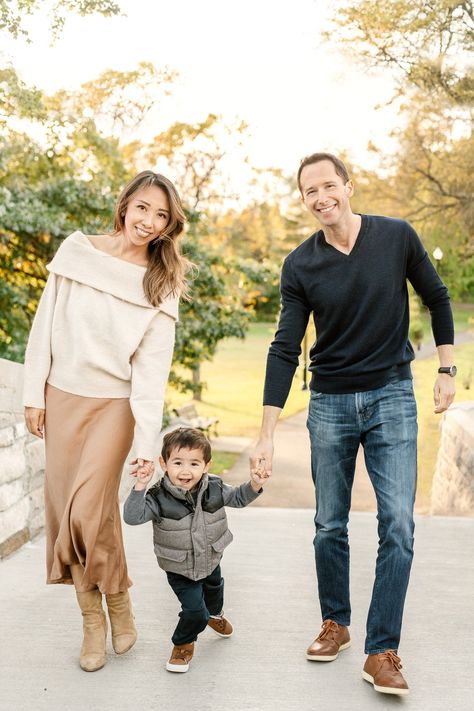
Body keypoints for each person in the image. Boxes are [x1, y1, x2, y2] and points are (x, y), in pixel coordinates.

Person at [250, 153, 456, 696]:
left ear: (347, 185)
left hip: (392, 394)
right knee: (328, 524)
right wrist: (267, 431)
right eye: (309, 192)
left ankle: (382, 649)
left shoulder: (396, 237)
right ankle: (335, 624)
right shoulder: (299, 265)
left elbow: (436, 296)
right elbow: (284, 348)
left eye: (327, 186)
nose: (321, 198)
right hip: (330, 404)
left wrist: (447, 369)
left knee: (399, 526)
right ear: (303, 200)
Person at [23, 170, 191, 672]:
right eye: (143, 208)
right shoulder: (77, 253)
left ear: (168, 225)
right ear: (125, 206)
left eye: (161, 215)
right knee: (68, 516)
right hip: (63, 398)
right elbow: (43, 324)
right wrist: (34, 393)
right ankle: (95, 614)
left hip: (115, 407)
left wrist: (146, 444)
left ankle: (113, 603)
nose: (149, 221)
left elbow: (151, 374)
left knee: (86, 513)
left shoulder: (160, 284)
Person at [123, 426, 267, 673]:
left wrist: (254, 485)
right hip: (179, 567)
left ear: (206, 465)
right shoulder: (158, 497)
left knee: (215, 590)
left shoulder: (215, 487)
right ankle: (183, 643)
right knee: (194, 612)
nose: (185, 471)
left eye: (194, 463)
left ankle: (215, 615)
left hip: (211, 557)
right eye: (177, 462)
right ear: (164, 463)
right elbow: (132, 517)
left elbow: (239, 498)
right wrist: (140, 486)